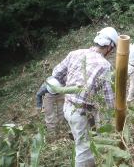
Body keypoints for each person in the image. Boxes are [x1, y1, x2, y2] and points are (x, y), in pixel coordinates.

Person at [52, 27, 118, 167]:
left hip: (68, 107)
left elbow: (56, 74)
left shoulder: (75, 53)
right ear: (109, 47)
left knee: (85, 140)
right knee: (84, 151)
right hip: (80, 113)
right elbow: (109, 101)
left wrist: (72, 84)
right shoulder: (104, 66)